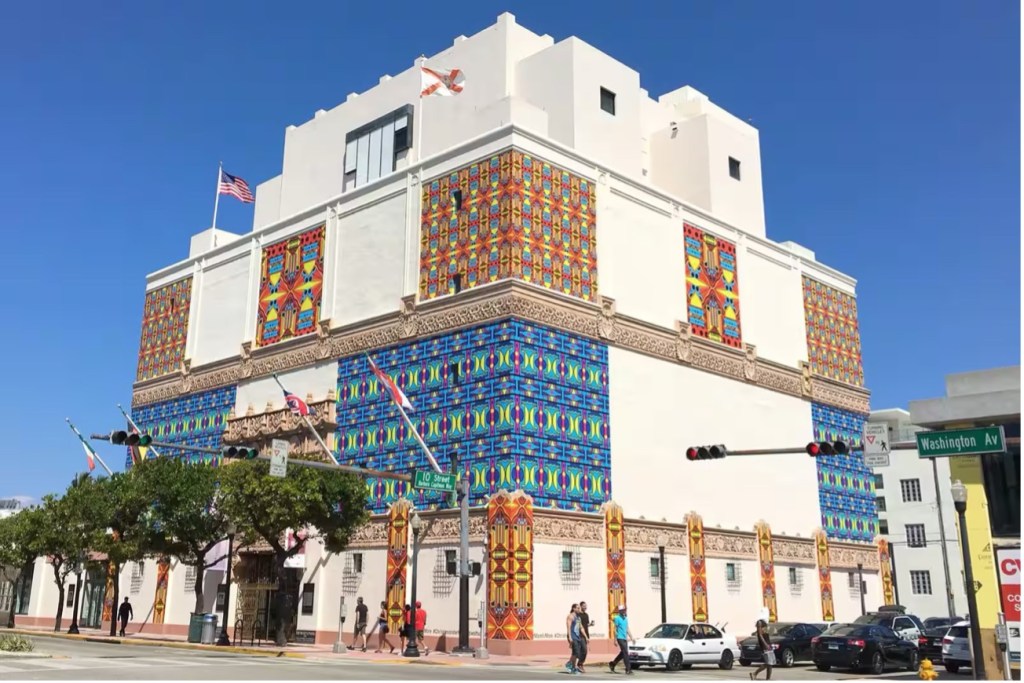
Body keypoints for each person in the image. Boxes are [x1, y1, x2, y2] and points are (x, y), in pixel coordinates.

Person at [608, 604, 634, 675]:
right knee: (625, 652)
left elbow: (627, 628)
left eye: (624, 610)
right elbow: (615, 629)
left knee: (623, 653)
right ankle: (628, 669)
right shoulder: (617, 618)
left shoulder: (625, 618)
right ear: (619, 611)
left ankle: (613, 664)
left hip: (624, 638)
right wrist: (615, 640)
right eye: (622, 610)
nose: (624, 611)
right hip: (619, 638)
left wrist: (632, 637)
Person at [564, 603, 583, 674]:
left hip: (577, 636)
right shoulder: (570, 616)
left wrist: (585, 636)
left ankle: (570, 665)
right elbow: (568, 627)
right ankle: (572, 666)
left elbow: (580, 627)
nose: (579, 609)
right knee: (576, 652)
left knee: (575, 653)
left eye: (579, 608)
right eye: (577, 608)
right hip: (572, 636)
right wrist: (569, 637)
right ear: (573, 608)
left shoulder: (578, 617)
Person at [577, 601, 592, 672]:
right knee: (584, 650)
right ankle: (580, 664)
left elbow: (586, 625)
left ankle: (579, 664)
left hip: (586, 634)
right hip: (580, 635)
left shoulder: (586, 615)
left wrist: (591, 624)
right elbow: (578, 625)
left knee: (582, 651)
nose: (585, 607)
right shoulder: (578, 615)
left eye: (586, 606)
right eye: (584, 606)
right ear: (580, 606)